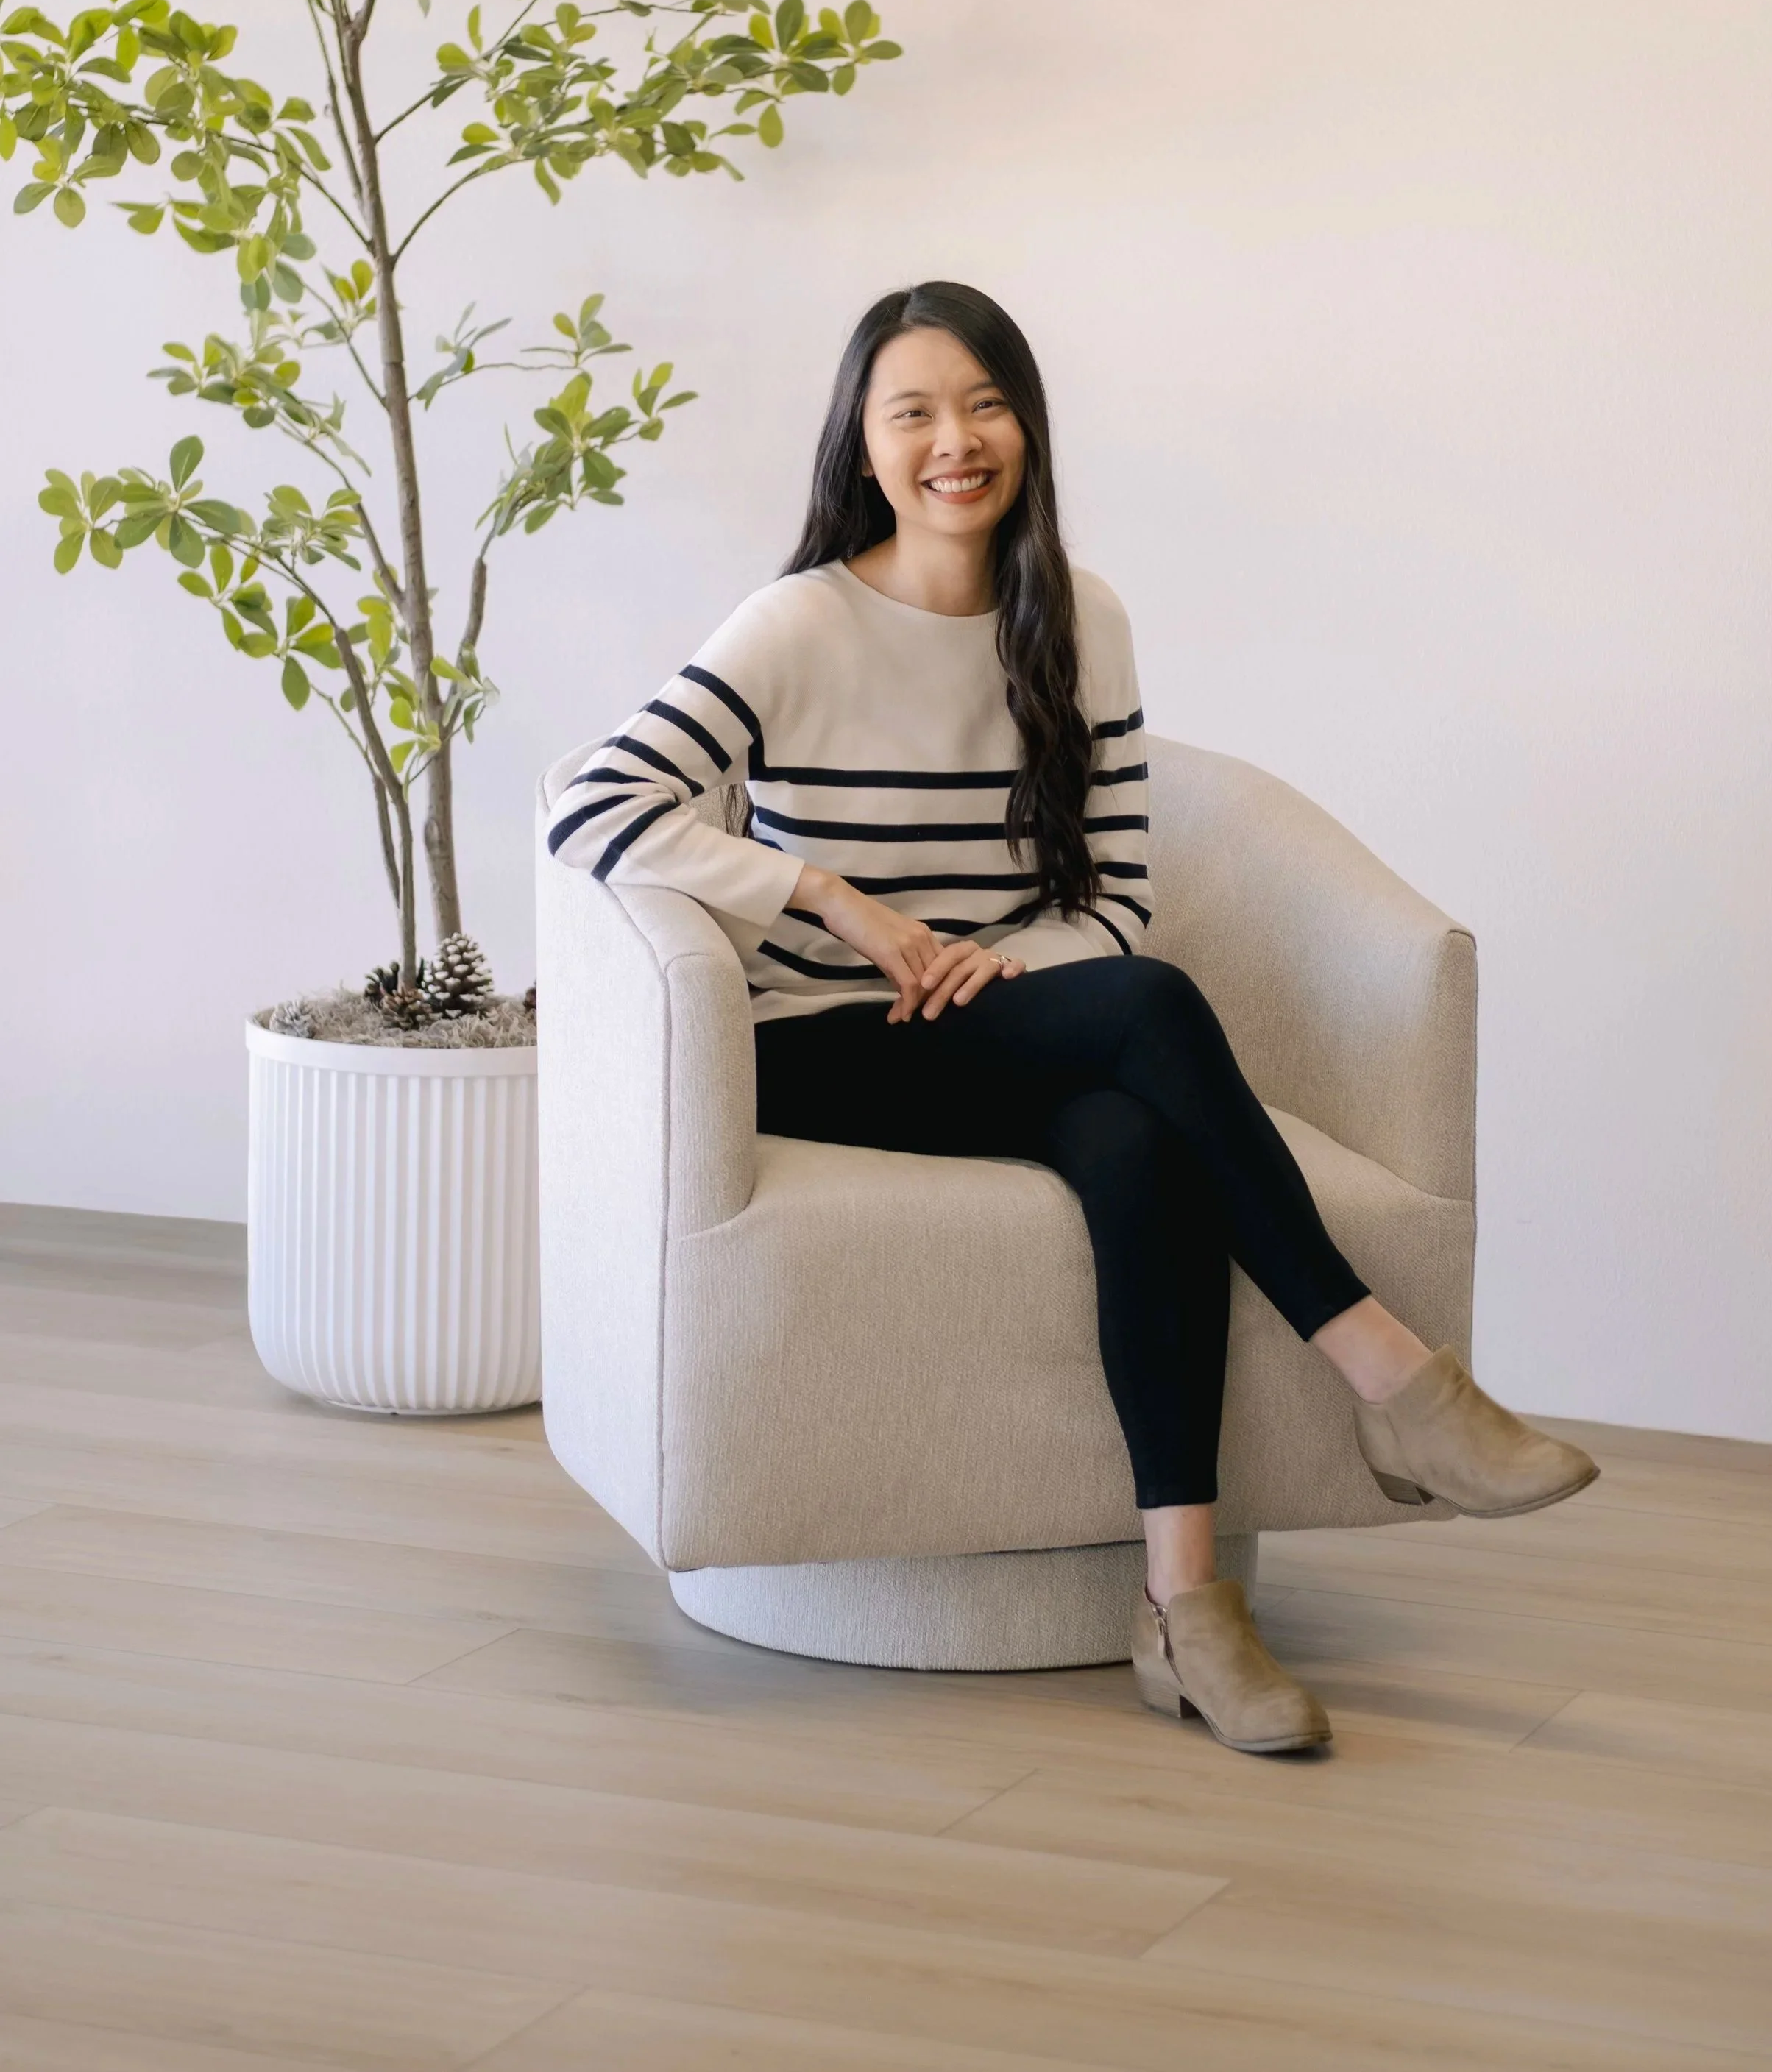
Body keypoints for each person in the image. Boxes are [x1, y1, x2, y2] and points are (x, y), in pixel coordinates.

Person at [549, 280, 1597, 1756]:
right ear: (861, 443)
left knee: (1129, 1136)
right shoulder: (794, 624)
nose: (953, 440)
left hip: (990, 1021)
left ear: (1025, 430)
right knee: (1154, 1011)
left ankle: (1184, 1606)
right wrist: (835, 903)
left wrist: (1006, 973)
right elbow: (591, 806)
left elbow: (1108, 902)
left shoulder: (1077, 621)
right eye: (912, 410)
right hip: (814, 1045)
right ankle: (1387, 1373)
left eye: (983, 404)